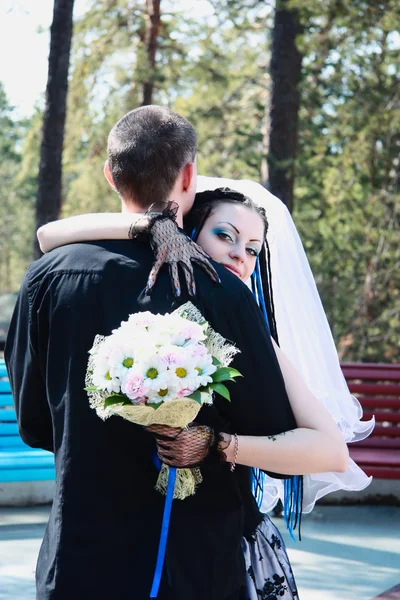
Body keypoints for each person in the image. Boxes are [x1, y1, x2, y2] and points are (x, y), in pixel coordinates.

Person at [6, 105, 348, 600]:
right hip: (192, 564)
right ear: (188, 175)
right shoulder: (221, 295)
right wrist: (215, 442)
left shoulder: (45, 278)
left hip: (79, 561)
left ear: (109, 175)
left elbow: (37, 425)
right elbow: (279, 438)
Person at [38, 179, 374, 516]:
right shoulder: (133, 298)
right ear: (191, 230)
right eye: (225, 235)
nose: (240, 254)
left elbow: (332, 452)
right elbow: (47, 235)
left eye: (253, 249)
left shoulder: (246, 325)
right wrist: (155, 227)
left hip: (209, 526)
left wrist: (218, 443)